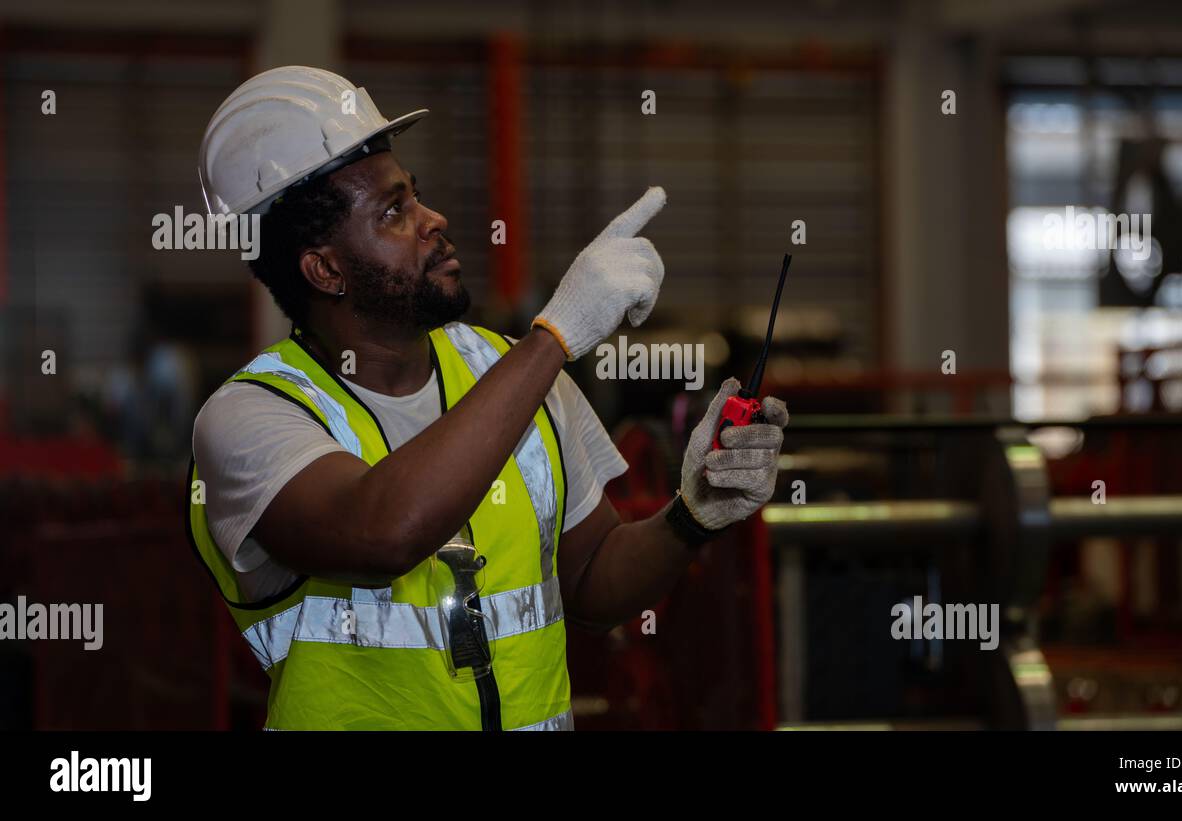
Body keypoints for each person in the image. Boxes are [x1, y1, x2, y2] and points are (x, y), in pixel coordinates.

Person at [186, 66, 789, 730]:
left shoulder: (512, 372)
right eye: (394, 211)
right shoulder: (250, 417)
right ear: (324, 268)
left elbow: (591, 583)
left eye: (417, 197)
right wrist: (555, 337)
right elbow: (382, 532)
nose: (433, 220)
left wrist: (692, 515)